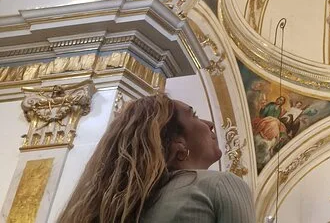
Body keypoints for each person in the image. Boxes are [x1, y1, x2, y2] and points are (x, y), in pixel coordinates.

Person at [57, 94, 255, 223]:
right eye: (193, 115)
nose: (209, 123)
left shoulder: (121, 208)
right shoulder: (220, 185)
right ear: (178, 143)